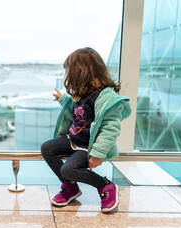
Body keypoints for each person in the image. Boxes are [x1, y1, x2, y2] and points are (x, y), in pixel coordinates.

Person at [41, 47, 131, 213]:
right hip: (74, 140)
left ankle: (105, 186)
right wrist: (64, 100)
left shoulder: (104, 96)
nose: (68, 76)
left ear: (82, 72)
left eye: (70, 71)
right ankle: (70, 187)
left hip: (88, 147)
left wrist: (97, 154)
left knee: (68, 169)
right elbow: (79, 112)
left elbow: (110, 128)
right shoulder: (83, 93)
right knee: (47, 148)